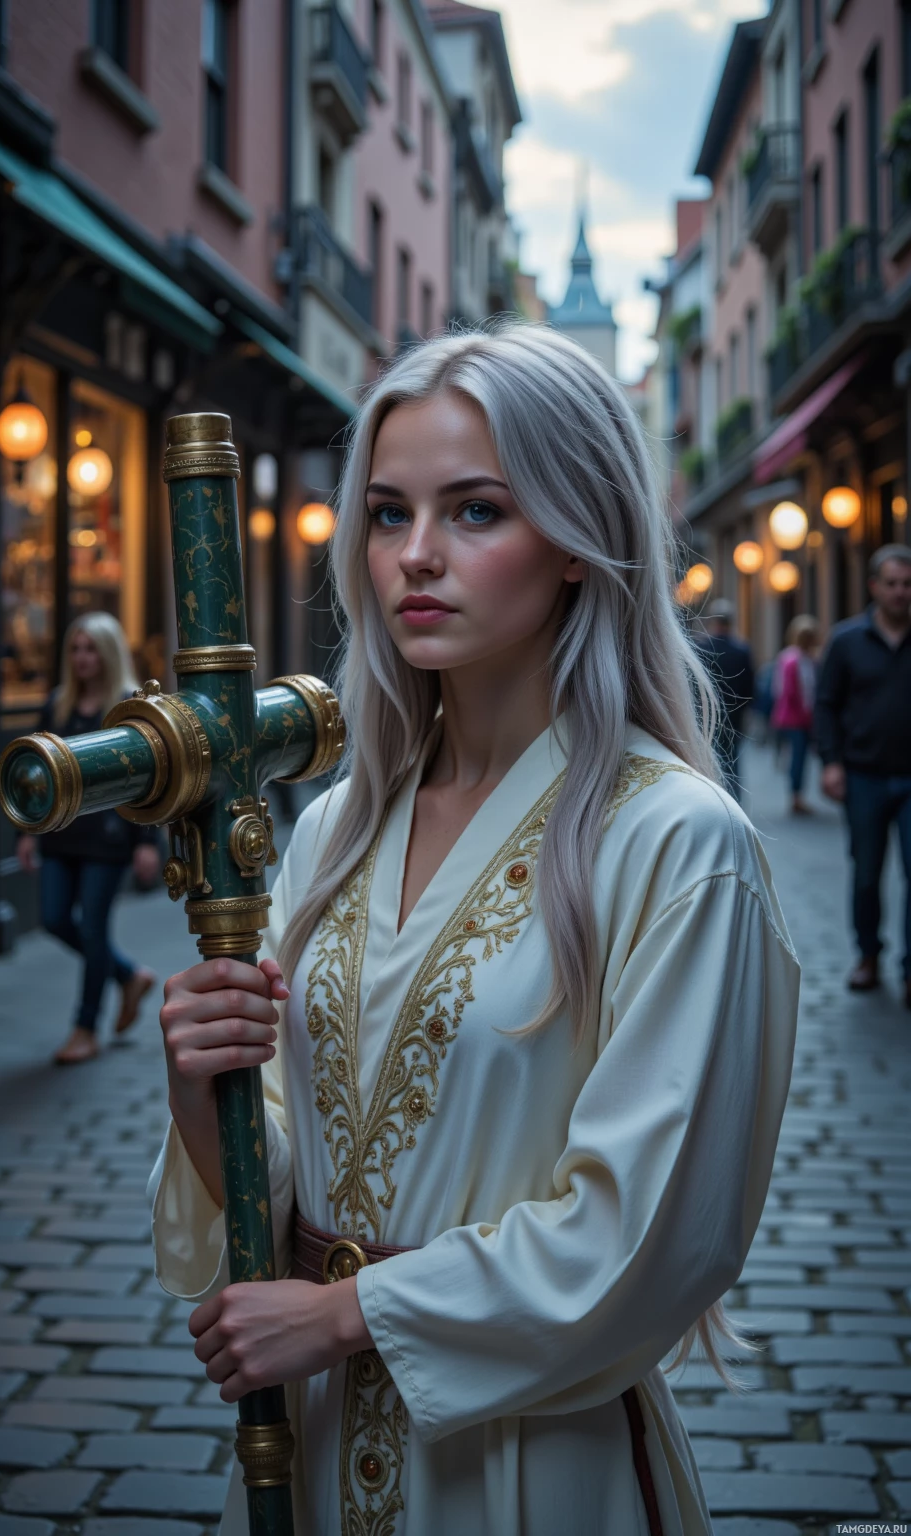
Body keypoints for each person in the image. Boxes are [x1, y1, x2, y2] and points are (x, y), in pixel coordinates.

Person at [148, 326, 799, 1536]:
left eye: (477, 510)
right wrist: (204, 1088)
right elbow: (279, 1164)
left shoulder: (676, 842)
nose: (418, 556)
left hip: (535, 1465)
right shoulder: (334, 826)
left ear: (575, 542)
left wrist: (347, 1316)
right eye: (388, 514)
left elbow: (649, 1228)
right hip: (317, 1445)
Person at [17, 612, 159, 1064]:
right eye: (76, 649)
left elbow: (148, 780)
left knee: (94, 928)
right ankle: (127, 975)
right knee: (56, 919)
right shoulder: (57, 705)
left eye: (91, 648)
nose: (82, 658)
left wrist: (145, 844)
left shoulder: (127, 707)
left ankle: (85, 1028)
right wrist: (26, 832)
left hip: (109, 838)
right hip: (60, 835)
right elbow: (35, 776)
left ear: (109, 652)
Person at [816, 543, 911, 1001]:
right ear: (874, 586)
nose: (900, 592)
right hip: (864, 777)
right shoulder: (847, 641)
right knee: (868, 872)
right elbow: (826, 705)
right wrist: (831, 761)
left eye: (907, 584)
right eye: (891, 584)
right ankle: (868, 956)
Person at [694, 598, 755, 800]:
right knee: (732, 760)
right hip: (735, 716)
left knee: (708, 758)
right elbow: (750, 688)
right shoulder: (742, 650)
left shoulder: (701, 648)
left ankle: (712, 799)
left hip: (705, 714)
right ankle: (733, 802)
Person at [771, 615, 820, 816]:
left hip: (803, 717)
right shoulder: (793, 659)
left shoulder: (807, 659)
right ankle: (796, 796)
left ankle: (798, 794)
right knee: (797, 757)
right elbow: (789, 692)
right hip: (794, 718)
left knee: (799, 757)